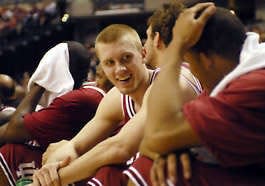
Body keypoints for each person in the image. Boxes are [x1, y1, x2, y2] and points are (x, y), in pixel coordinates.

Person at [29, 23, 200, 186]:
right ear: (101, 66)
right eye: (110, 63)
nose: (120, 69)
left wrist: (56, 179)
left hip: (202, 173)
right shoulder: (115, 98)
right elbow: (75, 145)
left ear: (143, 54)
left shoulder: (170, 80)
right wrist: (50, 169)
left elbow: (121, 147)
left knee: (114, 172)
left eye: (126, 58)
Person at [140, 1, 265, 186]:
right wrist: (176, 147)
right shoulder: (240, 73)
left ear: (206, 60)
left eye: (189, 61)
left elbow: (156, 135)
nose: (193, 71)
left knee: (156, 172)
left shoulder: (251, 87)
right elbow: (151, 142)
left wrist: (176, 46)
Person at [0, 41, 113, 185]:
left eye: (46, 66)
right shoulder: (84, 92)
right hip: (84, 165)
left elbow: (13, 130)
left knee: (10, 152)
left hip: (87, 171)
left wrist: (40, 83)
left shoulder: (79, 99)